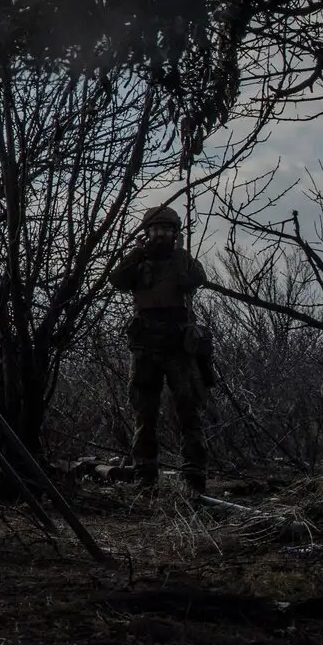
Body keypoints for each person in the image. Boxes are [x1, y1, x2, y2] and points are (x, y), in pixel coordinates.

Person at [108, 203, 210, 492]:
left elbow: (196, 279)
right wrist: (137, 252)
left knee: (188, 410)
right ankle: (145, 473)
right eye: (155, 230)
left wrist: (179, 252)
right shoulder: (139, 263)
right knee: (144, 412)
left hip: (178, 346)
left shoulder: (182, 261)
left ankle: (194, 475)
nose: (160, 235)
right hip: (146, 347)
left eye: (166, 230)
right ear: (147, 232)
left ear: (174, 233)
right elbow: (117, 280)